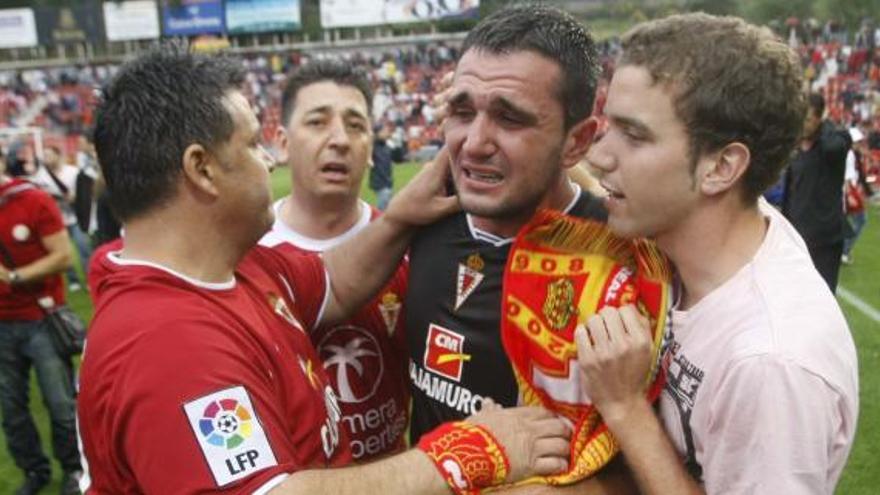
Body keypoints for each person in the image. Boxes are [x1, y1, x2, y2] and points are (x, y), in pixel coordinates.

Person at [78, 45, 571, 495]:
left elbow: (334, 282)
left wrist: (400, 215)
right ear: (201, 169)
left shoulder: (238, 269)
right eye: (252, 145)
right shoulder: (167, 342)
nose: (267, 162)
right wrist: (473, 451)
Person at [577, 13, 858, 494]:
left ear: (721, 167)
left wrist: (624, 407)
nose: (600, 156)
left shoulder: (772, 363)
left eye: (635, 135)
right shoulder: (715, 239)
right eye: (609, 128)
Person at [406, 2, 605, 442]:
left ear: (577, 142)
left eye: (509, 118)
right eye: (462, 112)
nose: (474, 144)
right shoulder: (416, 223)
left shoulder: (622, 262)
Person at [259, 60, 409, 461]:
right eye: (318, 122)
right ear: (283, 142)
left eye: (356, 125)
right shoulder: (250, 254)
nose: (340, 139)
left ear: (372, 148)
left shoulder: (404, 242)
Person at [0, 150, 82, 495]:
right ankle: (35, 470)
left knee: (60, 403)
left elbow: (64, 256)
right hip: (3, 325)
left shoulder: (32, 200)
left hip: (40, 318)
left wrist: (14, 276)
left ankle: (73, 470)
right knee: (12, 409)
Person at [783, 93, 852, 291]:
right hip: (797, 237)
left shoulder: (833, 143)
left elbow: (834, 145)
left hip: (824, 240)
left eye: (809, 119)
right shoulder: (796, 147)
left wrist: (825, 125)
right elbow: (791, 189)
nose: (803, 124)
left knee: (822, 295)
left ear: (820, 118)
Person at [30, 145, 92, 292]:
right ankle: (73, 280)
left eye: (49, 155)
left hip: (76, 217)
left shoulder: (73, 172)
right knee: (64, 252)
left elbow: (84, 193)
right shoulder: (40, 176)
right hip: (56, 221)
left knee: (83, 248)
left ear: (58, 155)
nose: (47, 158)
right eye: (44, 156)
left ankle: (90, 279)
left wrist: (75, 197)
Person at [369, 121, 395, 211]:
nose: (387, 133)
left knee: (388, 206)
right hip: (380, 182)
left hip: (388, 181)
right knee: (382, 208)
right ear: (377, 133)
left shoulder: (386, 146)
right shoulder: (373, 146)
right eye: (384, 131)